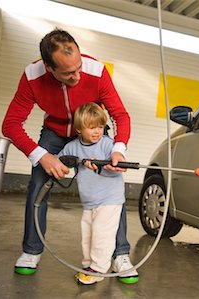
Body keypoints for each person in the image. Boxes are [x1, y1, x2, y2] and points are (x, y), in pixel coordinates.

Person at [1, 28, 138, 283]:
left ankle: (120, 254)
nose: (77, 75)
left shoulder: (96, 71)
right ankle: (31, 250)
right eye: (68, 73)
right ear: (48, 67)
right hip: (53, 134)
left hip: (92, 132)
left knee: (110, 192)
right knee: (37, 185)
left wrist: (119, 149)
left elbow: (121, 115)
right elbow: (10, 124)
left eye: (78, 67)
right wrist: (42, 156)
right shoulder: (32, 76)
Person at [58, 102, 126, 284]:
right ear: (79, 129)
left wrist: (103, 165)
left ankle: (98, 269)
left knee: (102, 234)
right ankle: (89, 264)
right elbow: (59, 162)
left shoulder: (107, 144)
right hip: (89, 201)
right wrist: (71, 163)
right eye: (91, 127)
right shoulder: (72, 147)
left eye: (101, 127)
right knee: (87, 234)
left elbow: (117, 166)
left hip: (110, 199)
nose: (97, 131)